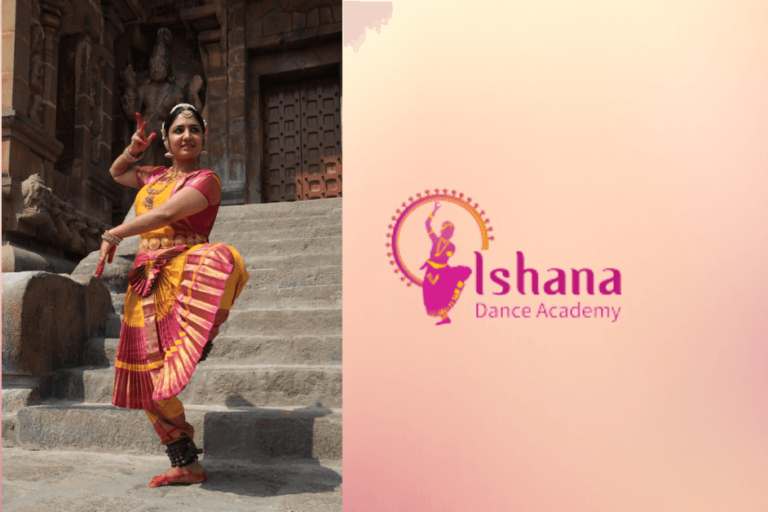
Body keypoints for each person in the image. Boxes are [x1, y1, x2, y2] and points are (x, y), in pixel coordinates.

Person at [96, 103, 249, 487]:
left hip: (182, 268)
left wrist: (117, 231)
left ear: (203, 137)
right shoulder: (153, 176)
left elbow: (165, 216)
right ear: (166, 140)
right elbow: (116, 173)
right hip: (146, 280)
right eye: (178, 130)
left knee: (224, 258)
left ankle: (200, 337)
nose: (187, 135)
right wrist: (132, 150)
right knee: (149, 380)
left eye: (194, 129)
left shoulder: (206, 180)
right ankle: (185, 461)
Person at [420, 201, 472, 325]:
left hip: (442, 270)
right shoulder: (435, 239)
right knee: (430, 293)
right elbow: (427, 224)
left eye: (451, 231)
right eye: (447, 230)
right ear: (442, 231)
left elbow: (443, 258)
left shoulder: (452, 246)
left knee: (444, 290)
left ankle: (445, 318)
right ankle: (445, 318)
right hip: (431, 270)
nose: (449, 233)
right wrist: (434, 211)